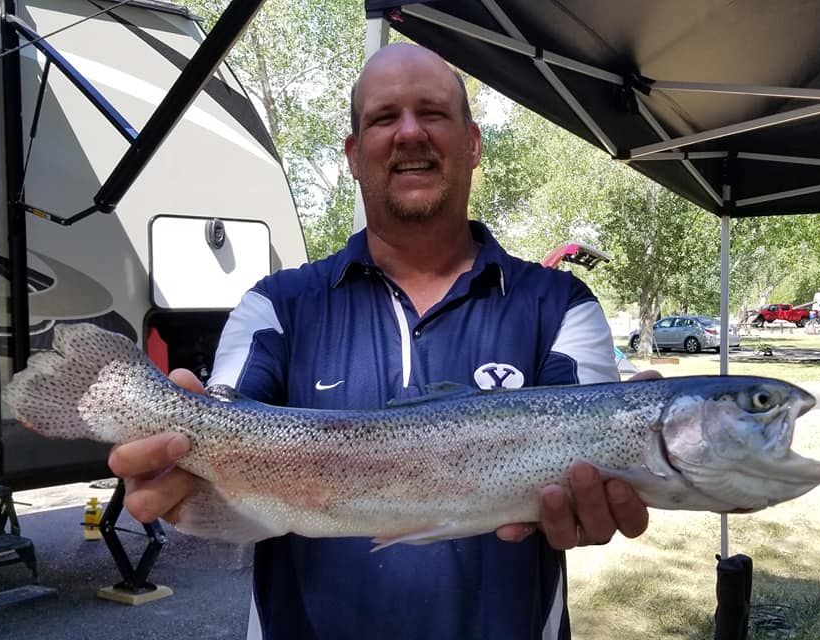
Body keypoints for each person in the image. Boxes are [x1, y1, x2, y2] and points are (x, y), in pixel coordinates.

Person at [108, 43, 653, 639]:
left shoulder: (560, 304)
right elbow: (225, 421)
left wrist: (606, 482)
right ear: (352, 153)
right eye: (384, 118)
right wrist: (178, 466)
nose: (410, 133)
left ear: (473, 143)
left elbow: (596, 463)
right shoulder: (277, 305)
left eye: (433, 113)